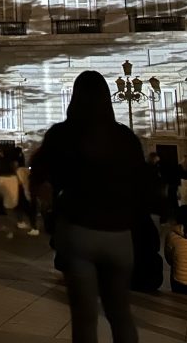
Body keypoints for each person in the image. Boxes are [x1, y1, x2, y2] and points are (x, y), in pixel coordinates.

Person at [31, 71, 143, 343]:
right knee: (120, 313)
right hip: (119, 235)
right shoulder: (125, 137)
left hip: (78, 231)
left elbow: (38, 175)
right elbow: (143, 184)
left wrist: (48, 207)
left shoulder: (62, 134)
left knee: (84, 317)